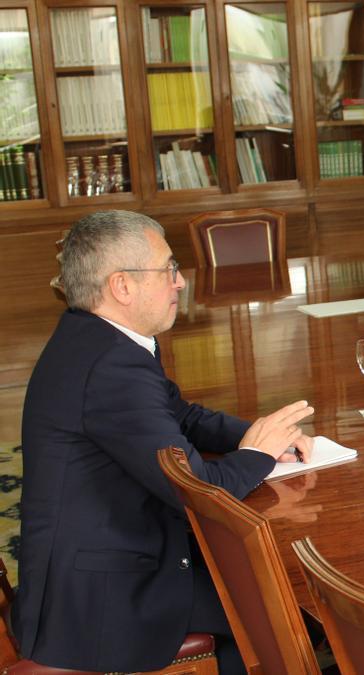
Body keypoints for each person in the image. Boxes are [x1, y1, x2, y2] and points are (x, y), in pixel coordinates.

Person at [17, 211, 314, 673]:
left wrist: (265, 435)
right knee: (278, 609)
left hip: (103, 557)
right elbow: (195, 488)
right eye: (169, 269)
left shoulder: (96, 337)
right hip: (105, 595)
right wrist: (256, 453)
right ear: (122, 286)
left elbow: (181, 416)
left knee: (259, 583)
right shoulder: (112, 366)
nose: (179, 282)